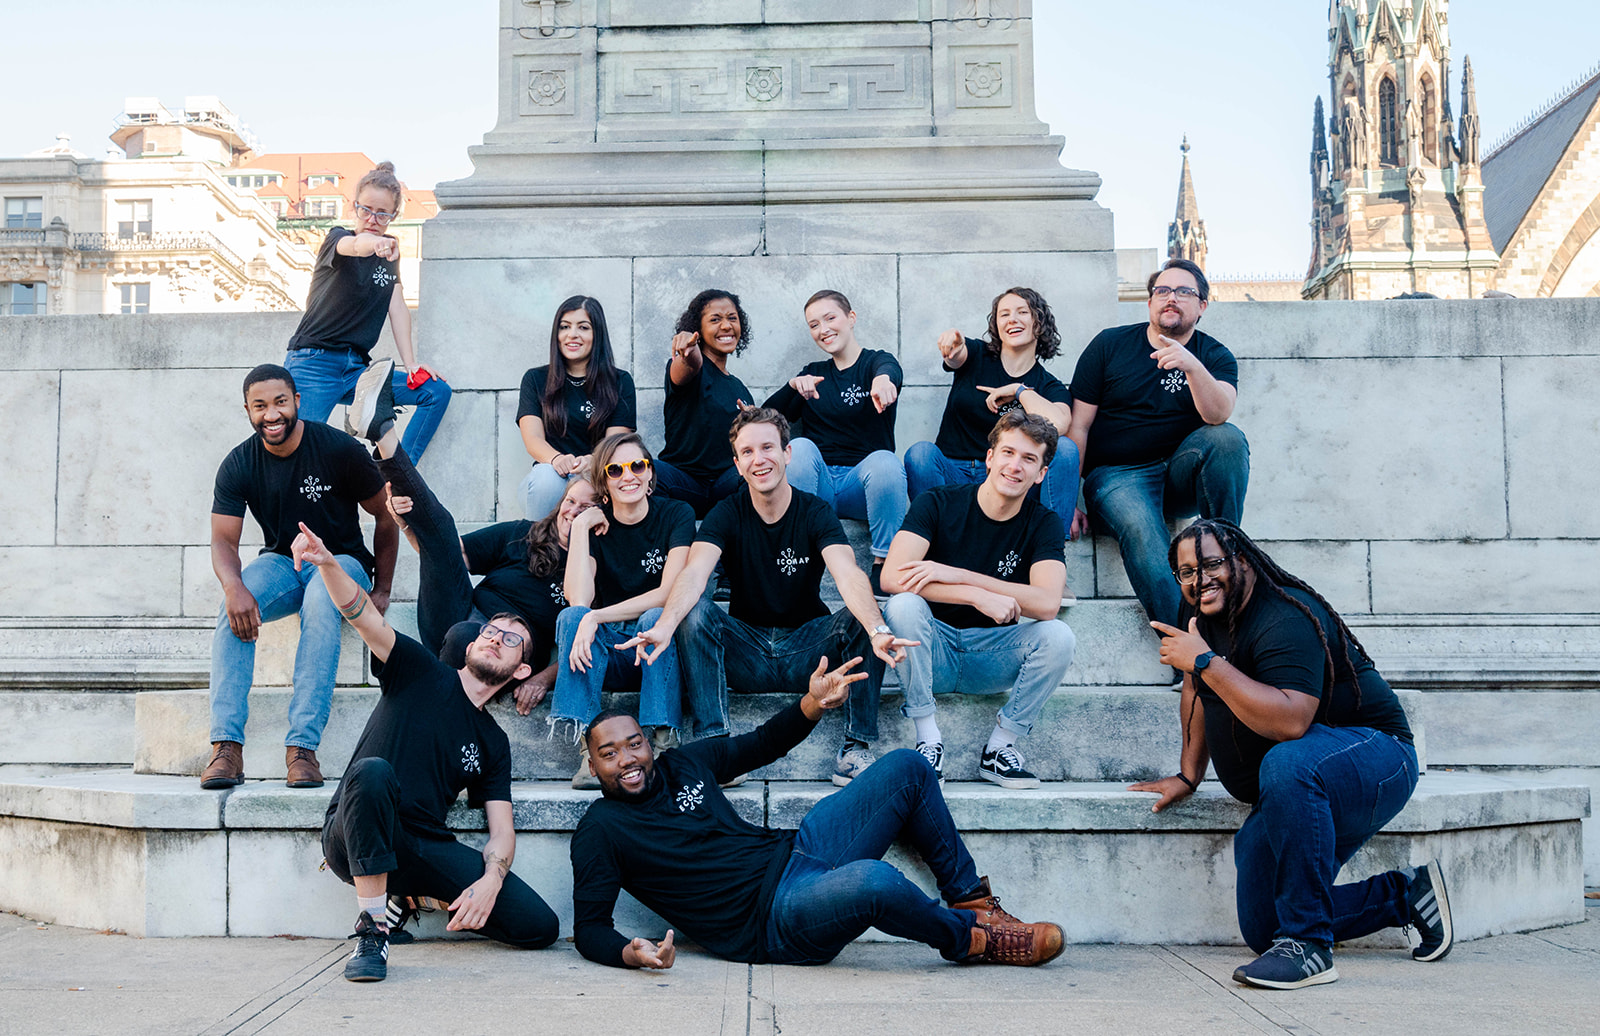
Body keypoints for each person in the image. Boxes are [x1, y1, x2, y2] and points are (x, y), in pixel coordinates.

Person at [569, 662, 1066, 969]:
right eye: (609, 754)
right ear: (593, 765)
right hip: (774, 921)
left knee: (909, 767)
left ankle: (973, 902)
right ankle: (974, 941)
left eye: (634, 744)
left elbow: (760, 744)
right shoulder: (601, 830)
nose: (628, 759)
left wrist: (811, 703)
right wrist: (627, 954)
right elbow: (590, 927)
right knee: (874, 882)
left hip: (800, 851)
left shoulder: (683, 763)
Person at [1130, 519, 1452, 989]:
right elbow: (1193, 689)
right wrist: (1188, 774)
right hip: (1302, 782)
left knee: (1286, 760)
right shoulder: (1200, 616)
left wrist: (1203, 661)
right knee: (1264, 926)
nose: (1200, 580)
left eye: (1212, 563)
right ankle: (1405, 896)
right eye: (1187, 572)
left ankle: (1309, 947)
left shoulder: (1285, 615)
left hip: (1378, 757)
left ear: (1242, 559)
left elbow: (1291, 721)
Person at [295, 523, 560, 983]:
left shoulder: (492, 742)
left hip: (420, 845)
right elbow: (361, 613)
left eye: (512, 638)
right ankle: (372, 929)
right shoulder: (419, 670)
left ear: (522, 670)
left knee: (539, 926)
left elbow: (501, 831)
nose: (496, 637)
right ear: (472, 642)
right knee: (372, 773)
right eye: (491, 629)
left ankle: (412, 898)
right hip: (353, 829)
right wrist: (329, 565)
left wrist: (490, 880)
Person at [625, 408, 916, 786]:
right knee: (694, 612)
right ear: (738, 464)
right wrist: (665, 625)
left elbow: (847, 573)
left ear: (787, 453)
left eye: (767, 448)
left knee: (863, 618)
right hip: (745, 651)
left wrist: (877, 629)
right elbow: (695, 572)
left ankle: (855, 748)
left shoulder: (815, 511)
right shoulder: (725, 513)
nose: (758, 459)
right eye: (747, 452)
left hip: (809, 652)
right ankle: (719, 749)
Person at [201, 364, 396, 790]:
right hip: (282, 563)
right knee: (230, 609)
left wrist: (382, 588)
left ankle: (302, 750)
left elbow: (386, 515)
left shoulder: (338, 449)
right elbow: (222, 541)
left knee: (321, 602)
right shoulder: (238, 463)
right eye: (260, 406)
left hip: (342, 562)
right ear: (248, 411)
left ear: (297, 403)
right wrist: (234, 588)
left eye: (280, 402)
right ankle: (226, 748)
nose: (271, 414)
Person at [354, 382, 600, 719]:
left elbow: (588, 637)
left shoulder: (595, 566)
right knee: (443, 528)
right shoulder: (522, 533)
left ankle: (383, 434)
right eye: (569, 501)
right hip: (457, 612)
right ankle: (382, 432)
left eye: (585, 507)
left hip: (508, 652)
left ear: (600, 517)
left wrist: (544, 678)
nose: (572, 511)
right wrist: (408, 524)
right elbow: (446, 556)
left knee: (464, 636)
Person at [883, 411, 1076, 789]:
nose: (1015, 466)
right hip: (929, 650)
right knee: (903, 605)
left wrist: (963, 577)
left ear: (1041, 474)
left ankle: (1000, 748)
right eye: (1008, 453)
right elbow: (892, 577)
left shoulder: (1044, 522)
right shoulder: (937, 502)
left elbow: (1048, 602)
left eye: (1029, 459)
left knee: (1059, 637)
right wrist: (974, 596)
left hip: (990, 656)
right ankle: (928, 740)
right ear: (990, 458)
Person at [1067, 258, 1248, 629]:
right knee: (1140, 526)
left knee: (1228, 438)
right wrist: (1070, 499)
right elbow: (1079, 426)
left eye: (1184, 292)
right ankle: (1192, 646)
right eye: (1162, 291)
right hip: (1117, 476)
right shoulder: (1109, 345)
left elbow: (1219, 415)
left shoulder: (1213, 355)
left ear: (1202, 306)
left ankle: (1224, 551)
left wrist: (1192, 366)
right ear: (1150, 302)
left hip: (1178, 476)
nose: (1171, 298)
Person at [549, 432, 696, 788]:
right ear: (604, 483)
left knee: (652, 618)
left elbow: (667, 593)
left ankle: (661, 743)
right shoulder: (597, 527)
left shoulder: (676, 514)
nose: (627, 475)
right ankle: (591, 750)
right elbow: (578, 600)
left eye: (637, 466)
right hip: (612, 655)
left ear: (650, 475)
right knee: (571, 617)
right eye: (615, 470)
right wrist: (582, 526)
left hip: (658, 650)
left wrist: (597, 616)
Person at [283, 162, 452, 462]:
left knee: (436, 392)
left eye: (382, 214)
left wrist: (411, 364)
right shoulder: (337, 239)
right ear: (354, 207)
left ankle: (397, 476)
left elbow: (397, 307)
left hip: (358, 372)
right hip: (313, 364)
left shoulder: (390, 253)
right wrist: (376, 243)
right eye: (366, 210)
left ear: (394, 216)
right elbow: (357, 244)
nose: (373, 219)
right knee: (299, 452)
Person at [766, 289, 908, 597]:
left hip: (863, 485)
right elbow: (766, 420)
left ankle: (884, 565)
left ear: (851, 318)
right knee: (799, 448)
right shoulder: (813, 374)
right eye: (814, 324)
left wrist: (884, 381)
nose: (823, 329)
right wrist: (791, 387)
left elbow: (889, 370)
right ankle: (798, 556)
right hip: (820, 485)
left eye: (830, 318)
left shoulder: (875, 363)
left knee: (886, 460)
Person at [904, 287, 1078, 531]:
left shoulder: (1049, 386)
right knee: (920, 453)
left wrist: (1019, 391)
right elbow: (956, 356)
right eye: (1004, 314)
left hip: (1008, 476)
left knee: (1066, 449)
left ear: (1039, 323)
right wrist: (952, 346)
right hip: (955, 472)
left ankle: (1050, 548)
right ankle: (933, 539)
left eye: (1022, 312)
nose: (1012, 319)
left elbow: (1058, 425)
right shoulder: (976, 354)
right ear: (996, 325)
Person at [516, 295, 637, 519]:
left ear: (597, 334)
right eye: (565, 327)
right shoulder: (535, 379)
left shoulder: (620, 381)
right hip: (552, 474)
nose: (572, 334)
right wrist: (557, 460)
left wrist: (594, 460)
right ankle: (539, 550)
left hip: (598, 473)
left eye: (583, 327)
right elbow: (532, 439)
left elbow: (616, 441)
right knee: (545, 480)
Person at [653, 288, 755, 517]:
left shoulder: (739, 387)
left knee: (756, 469)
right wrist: (688, 350)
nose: (727, 326)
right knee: (647, 470)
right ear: (698, 330)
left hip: (725, 485)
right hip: (683, 483)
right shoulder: (690, 367)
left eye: (732, 318)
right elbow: (690, 364)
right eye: (715, 320)